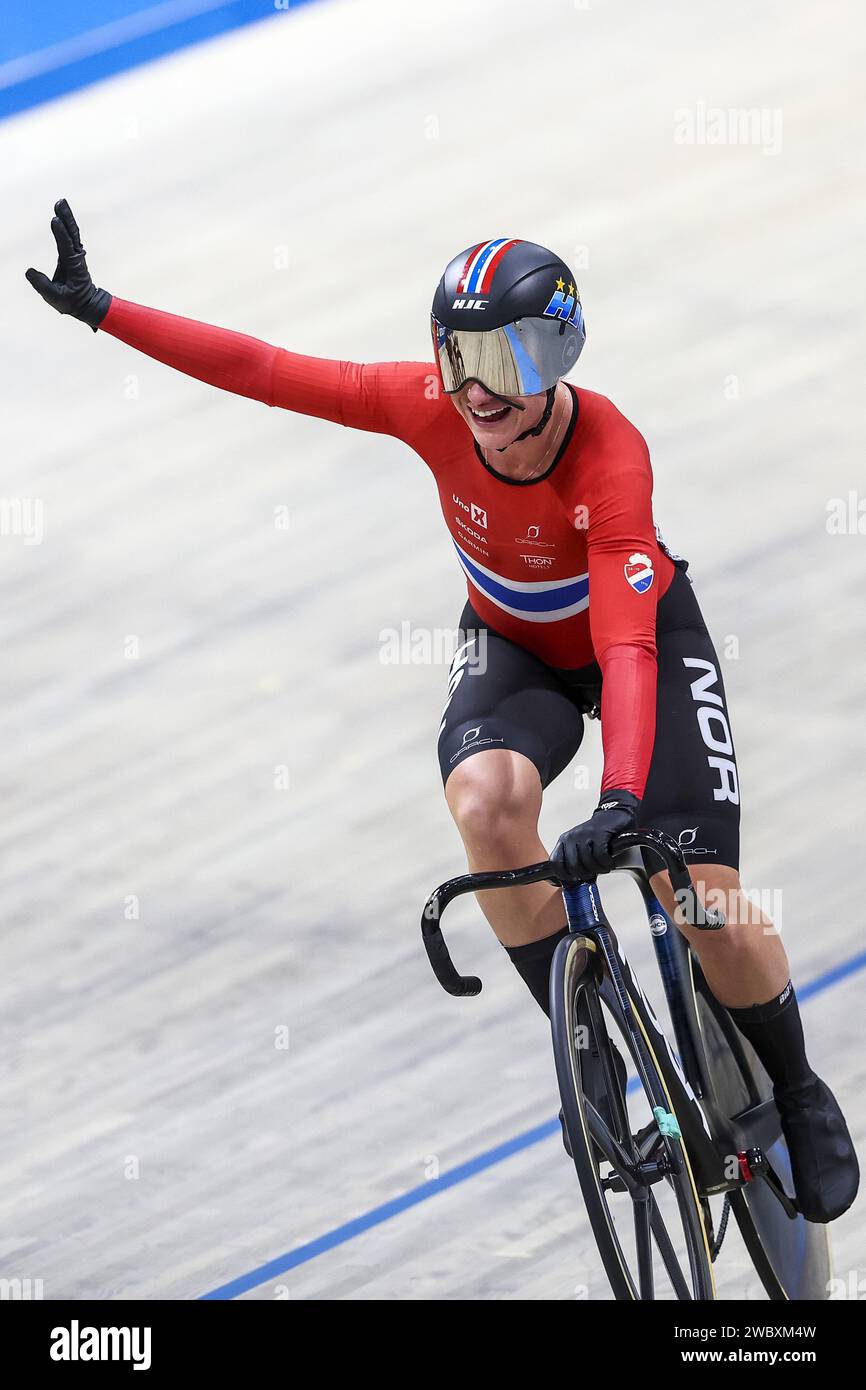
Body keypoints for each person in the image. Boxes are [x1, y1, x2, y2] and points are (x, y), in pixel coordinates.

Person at [27, 202, 858, 1224]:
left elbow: (627, 648)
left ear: (554, 357)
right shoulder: (427, 407)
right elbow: (266, 369)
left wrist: (621, 793)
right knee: (482, 804)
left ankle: (799, 1083)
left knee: (705, 907)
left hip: (636, 639)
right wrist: (105, 310)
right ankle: (593, 1054)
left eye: (501, 362)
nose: (473, 388)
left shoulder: (610, 457)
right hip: (516, 647)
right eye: (456, 356)